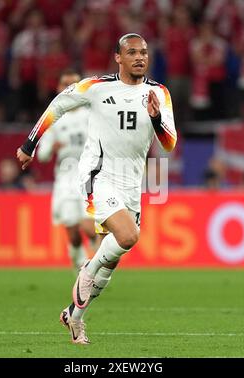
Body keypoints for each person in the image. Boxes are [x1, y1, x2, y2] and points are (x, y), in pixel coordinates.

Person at [17, 33, 177, 345]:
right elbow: (58, 105)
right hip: (100, 174)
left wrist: (157, 120)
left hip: (133, 181)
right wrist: (30, 143)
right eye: (131, 52)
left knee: (113, 257)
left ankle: (74, 317)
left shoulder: (159, 92)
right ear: (118, 58)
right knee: (128, 236)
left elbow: (169, 144)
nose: (139, 57)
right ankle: (87, 268)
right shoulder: (97, 87)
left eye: (143, 52)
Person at [37, 70, 96, 271]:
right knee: (72, 231)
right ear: (58, 88)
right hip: (65, 179)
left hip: (89, 176)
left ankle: (95, 266)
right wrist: (51, 148)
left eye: (74, 84)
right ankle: (79, 260)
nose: (69, 88)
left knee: (90, 227)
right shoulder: (52, 118)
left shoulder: (91, 114)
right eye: (65, 84)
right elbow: (42, 155)